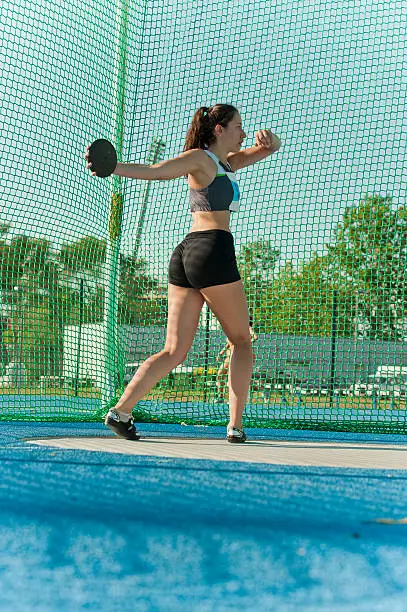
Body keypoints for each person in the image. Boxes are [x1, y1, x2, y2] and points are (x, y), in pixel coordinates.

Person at [85, 104, 281, 442]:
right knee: (242, 341)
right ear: (218, 130)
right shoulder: (201, 159)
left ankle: (121, 412)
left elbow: (269, 148)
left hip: (187, 254)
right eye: (237, 126)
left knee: (174, 350)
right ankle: (235, 426)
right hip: (213, 251)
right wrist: (113, 167)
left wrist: (270, 139)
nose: (243, 133)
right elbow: (157, 170)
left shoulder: (226, 163)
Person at [216, 317, 258, 403]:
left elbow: (255, 337)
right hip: (229, 357)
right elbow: (230, 343)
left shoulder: (247, 328)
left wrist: (246, 343)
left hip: (238, 356)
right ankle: (220, 397)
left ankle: (233, 399)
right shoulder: (235, 329)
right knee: (220, 374)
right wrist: (221, 353)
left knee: (232, 379)